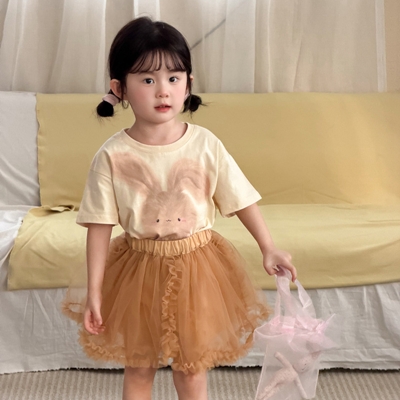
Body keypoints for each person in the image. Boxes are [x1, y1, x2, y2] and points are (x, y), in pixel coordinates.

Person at [62, 16, 297, 400]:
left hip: (197, 269)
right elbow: (99, 226)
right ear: (119, 88)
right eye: (147, 79)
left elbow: (241, 198)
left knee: (191, 371)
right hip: (138, 270)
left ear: (188, 83)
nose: (163, 91)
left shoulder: (205, 144)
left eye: (173, 78)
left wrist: (268, 247)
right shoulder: (112, 155)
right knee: (139, 367)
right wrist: (95, 290)